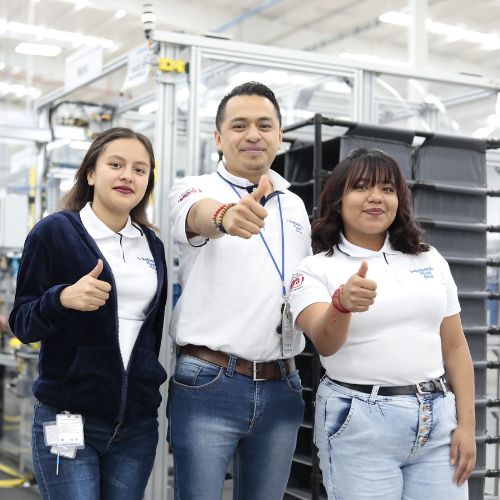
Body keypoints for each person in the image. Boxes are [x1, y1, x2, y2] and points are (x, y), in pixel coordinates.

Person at [289, 148, 476, 499]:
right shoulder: (315, 268)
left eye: (388, 189)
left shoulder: (428, 257)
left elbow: (454, 345)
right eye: (361, 187)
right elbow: (324, 343)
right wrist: (341, 305)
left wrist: (467, 425)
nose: (376, 197)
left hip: (436, 418)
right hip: (360, 422)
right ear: (338, 200)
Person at [167, 81, 311, 499]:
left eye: (265, 125)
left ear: (280, 135)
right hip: (211, 382)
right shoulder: (194, 188)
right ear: (219, 138)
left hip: (283, 383)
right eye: (240, 125)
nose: (253, 135)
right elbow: (198, 216)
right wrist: (227, 216)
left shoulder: (294, 204)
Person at [9, 127, 168, 500]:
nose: (128, 175)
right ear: (92, 174)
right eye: (116, 164)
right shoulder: (54, 233)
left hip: (137, 426)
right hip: (69, 418)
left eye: (140, 169)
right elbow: (22, 322)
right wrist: (62, 298)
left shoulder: (152, 245)